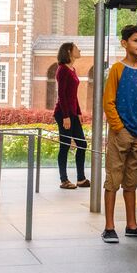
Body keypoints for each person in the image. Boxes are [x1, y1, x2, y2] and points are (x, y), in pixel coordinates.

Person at [101, 25, 137, 243]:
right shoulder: (117, 69)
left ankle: (132, 224)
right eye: (135, 40)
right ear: (125, 43)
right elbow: (109, 102)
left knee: (131, 181)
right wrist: (119, 128)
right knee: (113, 179)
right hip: (120, 133)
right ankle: (109, 226)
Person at [53, 42, 88, 189]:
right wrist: (66, 116)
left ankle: (80, 178)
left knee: (82, 144)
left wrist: (78, 112)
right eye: (76, 48)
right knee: (65, 146)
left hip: (72, 113)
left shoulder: (72, 69)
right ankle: (64, 180)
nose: (79, 50)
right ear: (69, 51)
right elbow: (61, 95)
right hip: (63, 113)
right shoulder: (62, 70)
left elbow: (72, 95)